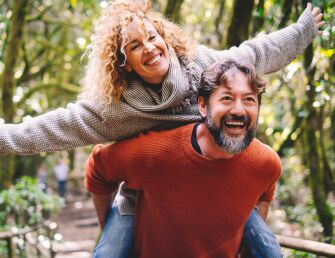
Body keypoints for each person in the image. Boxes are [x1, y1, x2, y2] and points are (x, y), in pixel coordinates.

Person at [0, 0, 324, 257]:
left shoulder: (202, 67)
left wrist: (303, 30)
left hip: (215, 184)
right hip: (144, 193)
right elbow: (58, 126)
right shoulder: (116, 109)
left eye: (153, 37)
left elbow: (255, 53)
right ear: (124, 63)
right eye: (136, 46)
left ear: (166, 39)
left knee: (268, 249)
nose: (150, 48)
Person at [85, 59, 282, 258]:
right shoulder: (156, 154)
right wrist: (109, 229)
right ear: (203, 106)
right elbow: (98, 168)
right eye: (227, 99)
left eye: (249, 99)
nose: (239, 110)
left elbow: (264, 196)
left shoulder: (266, 163)